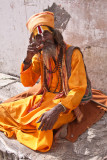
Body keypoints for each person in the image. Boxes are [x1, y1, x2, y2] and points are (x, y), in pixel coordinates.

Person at [0, 11, 106, 152]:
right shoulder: (40, 55)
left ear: (54, 34)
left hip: (65, 104)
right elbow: (28, 82)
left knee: (42, 127)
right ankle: (24, 126)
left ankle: (24, 126)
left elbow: (78, 89)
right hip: (42, 99)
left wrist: (56, 110)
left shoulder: (73, 54)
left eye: (46, 34)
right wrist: (28, 58)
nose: (43, 40)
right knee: (2, 110)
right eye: (38, 37)